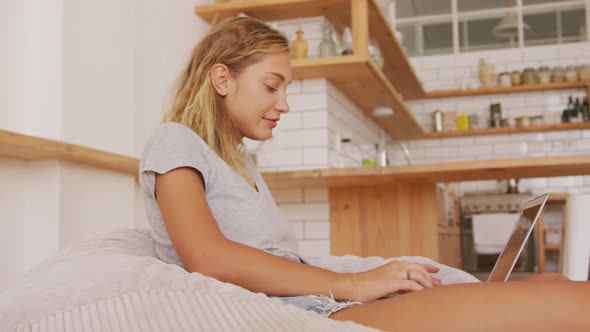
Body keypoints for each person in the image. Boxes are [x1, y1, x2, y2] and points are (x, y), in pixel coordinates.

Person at [139, 17, 590, 331]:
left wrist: (376, 282)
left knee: (554, 284)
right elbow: (208, 258)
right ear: (222, 79)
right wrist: (357, 282)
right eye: (271, 85)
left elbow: (276, 261)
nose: (284, 103)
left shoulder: (241, 163)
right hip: (308, 314)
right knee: (572, 305)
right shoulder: (175, 141)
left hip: (327, 301)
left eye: (286, 89)